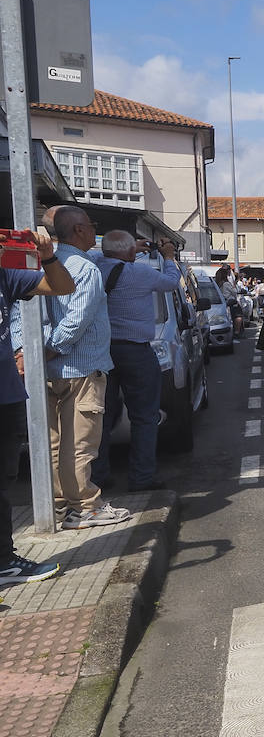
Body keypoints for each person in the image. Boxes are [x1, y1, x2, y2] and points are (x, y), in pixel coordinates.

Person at [14, 207, 132, 529]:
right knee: (79, 444)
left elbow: (16, 313)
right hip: (79, 367)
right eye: (92, 226)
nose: (94, 232)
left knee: (52, 443)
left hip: (43, 373)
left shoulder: (32, 264)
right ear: (79, 230)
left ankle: (57, 508)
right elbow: (76, 320)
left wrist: (26, 353)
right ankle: (86, 508)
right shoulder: (84, 267)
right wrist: (49, 351)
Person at [1, 228, 73, 584]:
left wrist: (47, 255)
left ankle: (3, 563)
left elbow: (61, 286)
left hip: (7, 395)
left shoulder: (5, 274)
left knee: (3, 482)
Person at [88, 230, 182, 492]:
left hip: (100, 351)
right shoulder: (140, 273)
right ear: (129, 252)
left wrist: (126, 249)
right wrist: (169, 257)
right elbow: (171, 282)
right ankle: (142, 477)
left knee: (101, 416)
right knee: (144, 416)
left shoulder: (94, 266)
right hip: (135, 350)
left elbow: (100, 252)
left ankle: (98, 475)